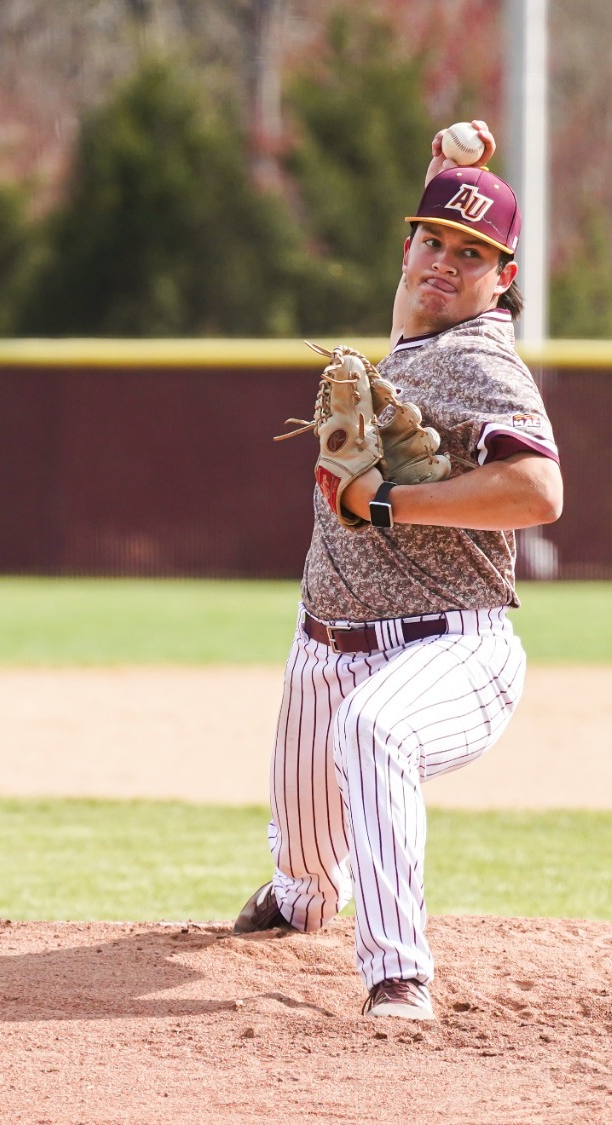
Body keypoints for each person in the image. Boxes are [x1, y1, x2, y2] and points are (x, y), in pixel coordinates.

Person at [232, 135, 563, 1022]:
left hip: (450, 646)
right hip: (325, 646)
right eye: (432, 242)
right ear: (407, 247)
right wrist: (444, 171)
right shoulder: (422, 324)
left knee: (375, 731)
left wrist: (388, 504)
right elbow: (425, 275)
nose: (445, 263)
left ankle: (397, 974)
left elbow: (541, 491)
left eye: (471, 255)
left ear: (504, 279)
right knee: (305, 875)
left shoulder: (477, 357)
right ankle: (303, 896)